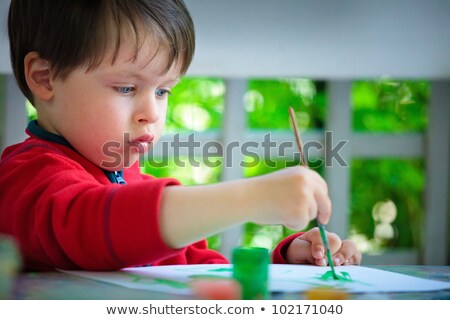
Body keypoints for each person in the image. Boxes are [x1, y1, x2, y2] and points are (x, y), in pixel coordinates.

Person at [0, 0, 361, 271]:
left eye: (163, 91)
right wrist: (251, 197)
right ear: (44, 77)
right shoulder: (27, 179)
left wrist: (288, 261)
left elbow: (207, 273)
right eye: (126, 88)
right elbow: (95, 225)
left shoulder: (130, 185)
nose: (153, 113)